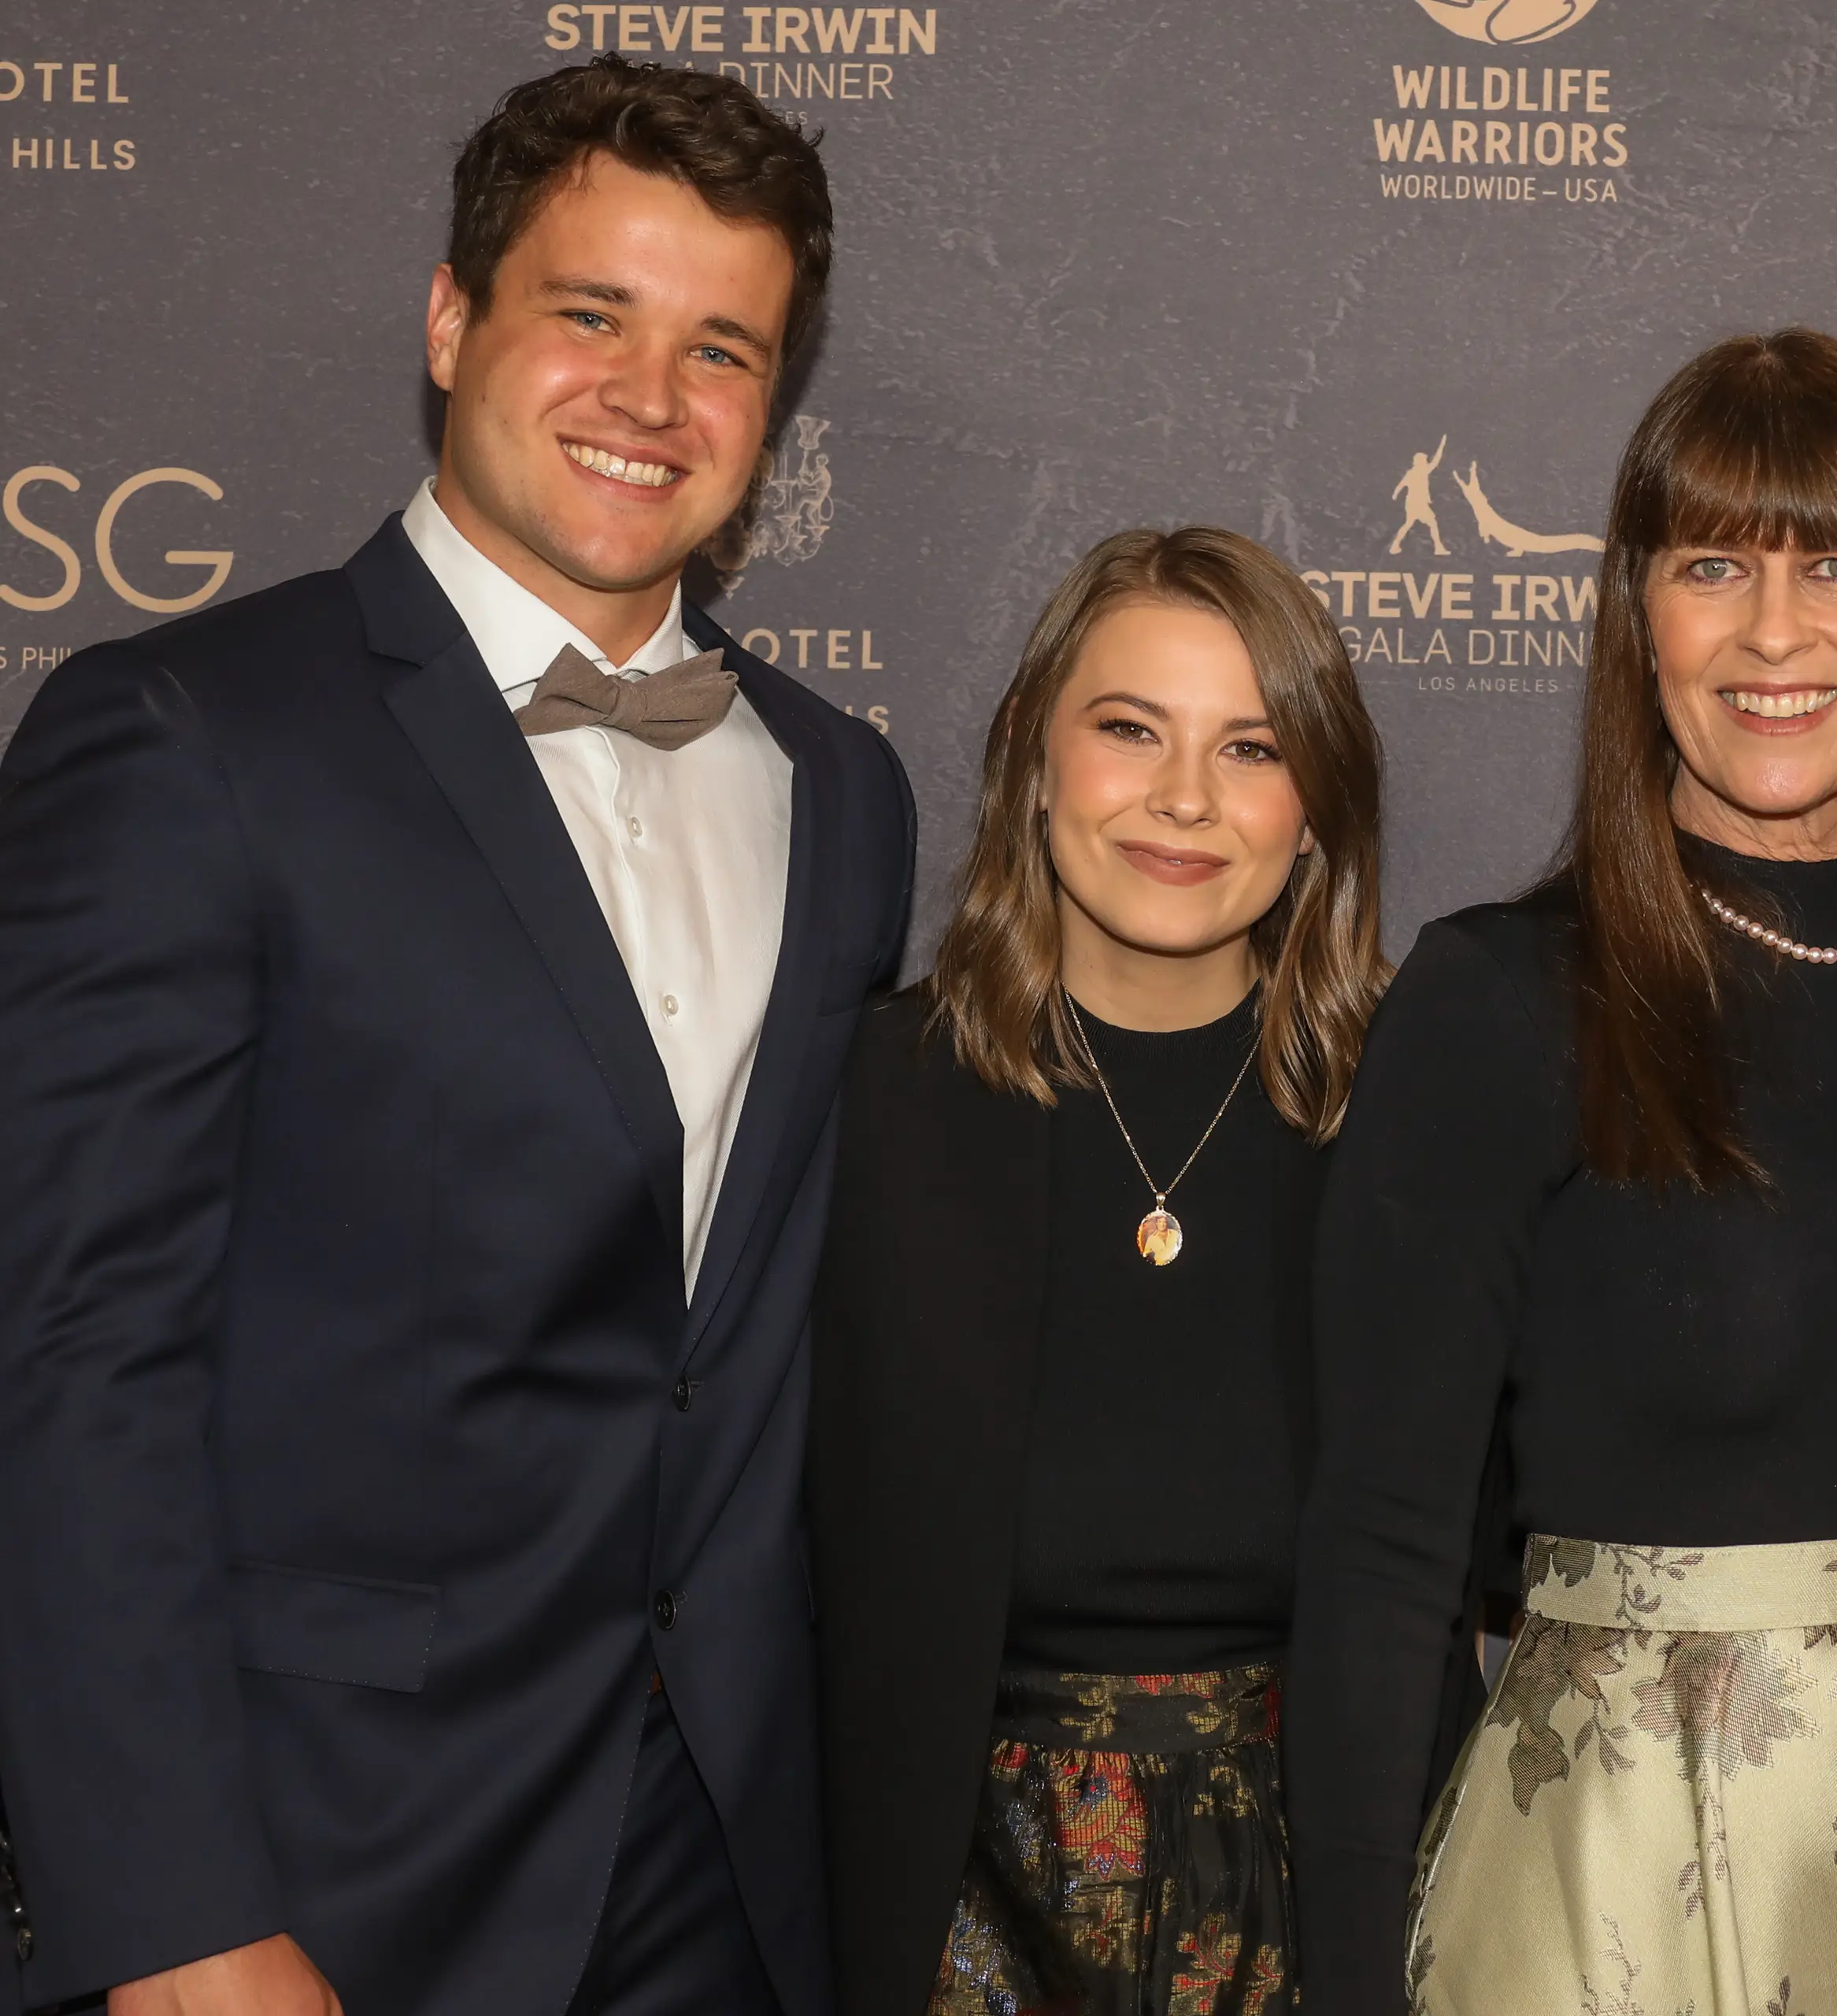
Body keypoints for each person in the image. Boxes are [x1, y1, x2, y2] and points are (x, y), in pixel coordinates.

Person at [0, 57, 912, 2016]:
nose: (650, 398)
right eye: (592, 313)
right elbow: (70, 1357)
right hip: (320, 1862)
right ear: (449, 321)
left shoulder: (843, 792)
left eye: (722, 348)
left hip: (728, 1871)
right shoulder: (186, 739)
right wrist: (165, 1907)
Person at [1287, 329, 1837, 2016]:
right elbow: (1383, 1553)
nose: (1775, 633)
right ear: (1636, 618)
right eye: (1711, 567)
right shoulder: (1496, 1000)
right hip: (1616, 1888)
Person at [809, 527, 1390, 2016]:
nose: (1185, 799)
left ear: (1318, 804)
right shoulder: (865, 1095)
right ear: (1029, 749)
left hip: (1332, 1890)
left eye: (1253, 748)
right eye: (1130, 729)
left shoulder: (1411, 1116)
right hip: (933, 1889)